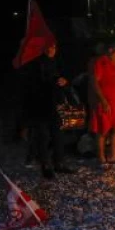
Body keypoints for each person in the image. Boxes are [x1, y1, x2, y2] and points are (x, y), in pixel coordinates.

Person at [19, 42, 76, 179]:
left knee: (58, 136)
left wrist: (65, 82)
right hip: (41, 106)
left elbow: (67, 83)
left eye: (54, 47)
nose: (52, 50)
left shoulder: (58, 63)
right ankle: (46, 166)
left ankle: (59, 163)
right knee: (43, 137)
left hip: (56, 105)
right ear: (43, 49)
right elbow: (31, 87)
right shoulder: (36, 65)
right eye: (49, 47)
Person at [90, 41, 115, 165]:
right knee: (103, 130)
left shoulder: (113, 64)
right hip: (105, 103)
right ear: (111, 50)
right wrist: (103, 101)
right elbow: (95, 82)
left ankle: (113, 156)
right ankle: (101, 158)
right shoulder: (101, 62)